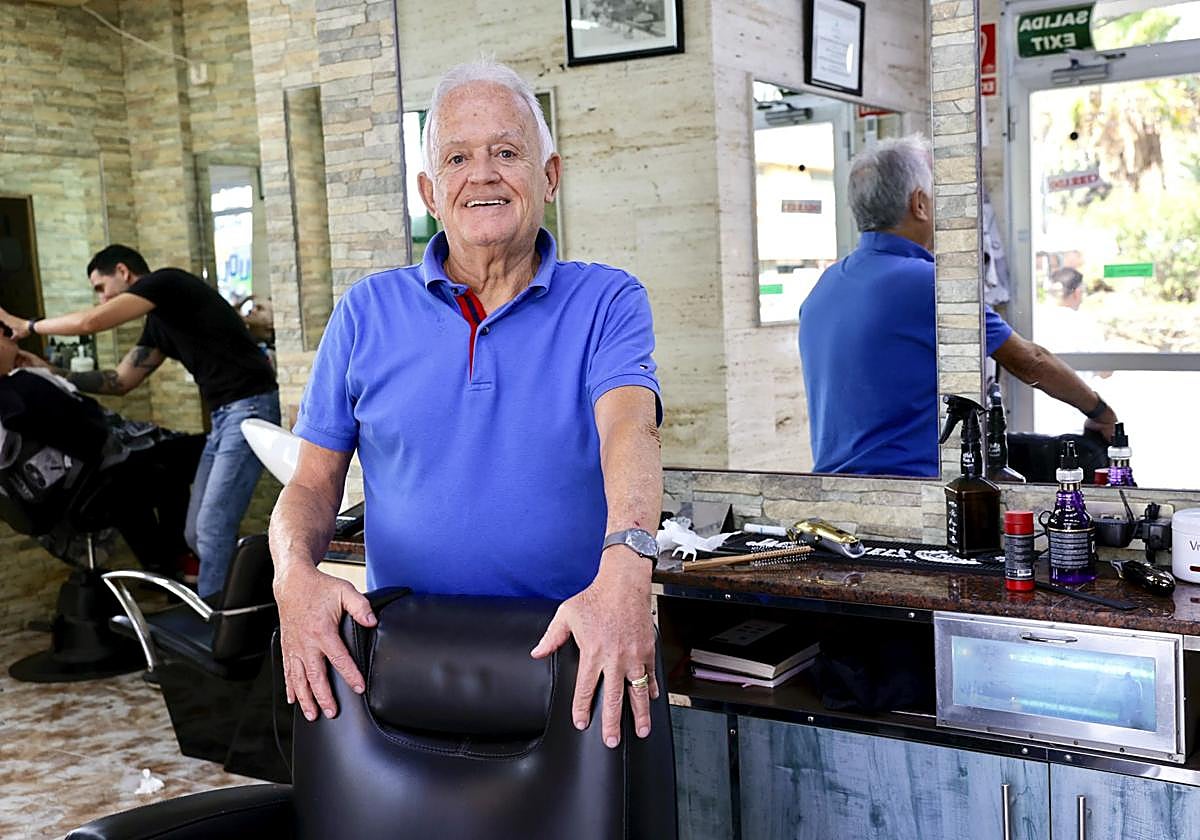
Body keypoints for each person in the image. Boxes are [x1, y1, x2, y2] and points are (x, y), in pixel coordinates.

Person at [270, 60, 664, 751]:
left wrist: (629, 565)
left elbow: (628, 429)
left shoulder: (608, 300)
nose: (482, 175)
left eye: (506, 153)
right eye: (457, 158)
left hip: (569, 651)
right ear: (430, 190)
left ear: (549, 176)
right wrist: (292, 576)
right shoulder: (365, 312)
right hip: (406, 667)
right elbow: (310, 484)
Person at [798, 134, 1119, 477]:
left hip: (834, 491)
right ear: (919, 203)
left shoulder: (824, 286)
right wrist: (1099, 411)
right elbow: (1030, 362)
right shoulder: (928, 283)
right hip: (915, 493)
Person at [0, 245, 280, 597]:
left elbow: (91, 323)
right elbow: (121, 381)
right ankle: (231, 603)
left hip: (250, 408)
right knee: (195, 532)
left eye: (102, 288)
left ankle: (219, 633)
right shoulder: (159, 325)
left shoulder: (168, 283)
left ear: (123, 271)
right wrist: (49, 370)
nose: (102, 300)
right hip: (224, 417)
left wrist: (27, 326)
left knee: (210, 530)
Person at [0, 327, 203, 572]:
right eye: (4, 331)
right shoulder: (24, 385)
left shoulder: (19, 389)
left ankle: (161, 563)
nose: (13, 336)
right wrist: (47, 376)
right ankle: (177, 557)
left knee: (141, 475)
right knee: (191, 453)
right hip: (93, 487)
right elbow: (93, 435)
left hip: (51, 505)